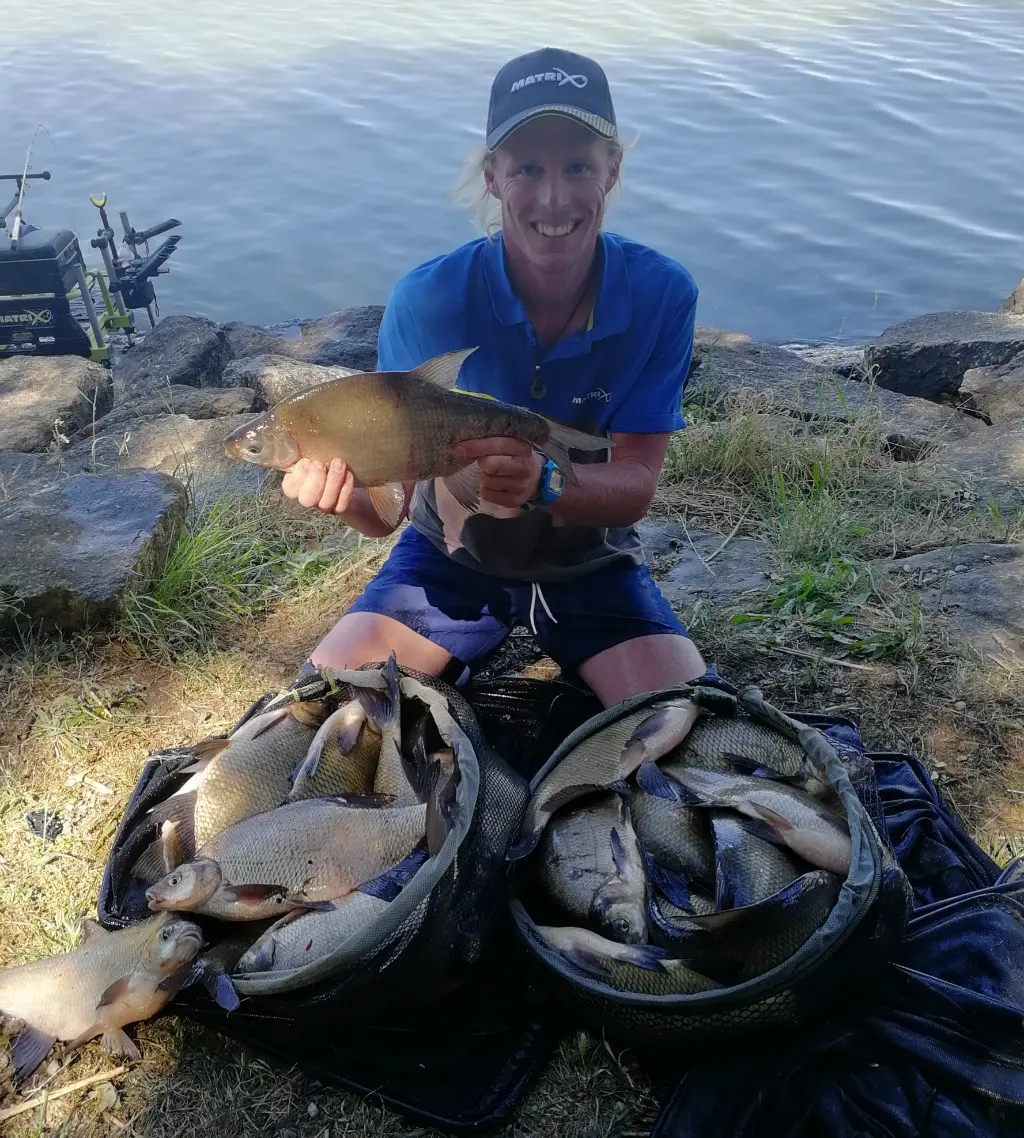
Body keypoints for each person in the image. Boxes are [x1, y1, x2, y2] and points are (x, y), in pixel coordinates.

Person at [282, 46, 706, 707]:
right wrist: (344, 496)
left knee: (683, 721)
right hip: (448, 560)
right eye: (527, 168)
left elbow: (634, 487)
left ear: (612, 170)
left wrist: (547, 484)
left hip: (588, 560)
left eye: (577, 167)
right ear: (492, 177)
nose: (553, 197)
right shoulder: (427, 300)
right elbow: (384, 516)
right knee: (329, 704)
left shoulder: (661, 294)